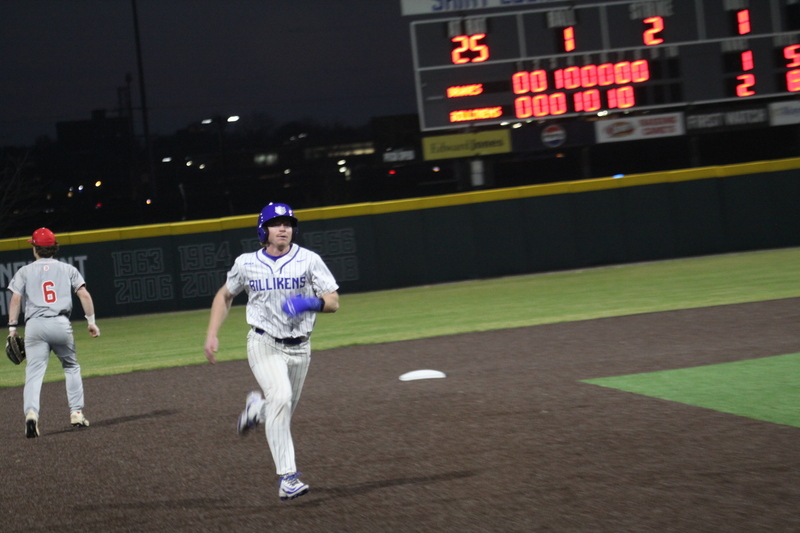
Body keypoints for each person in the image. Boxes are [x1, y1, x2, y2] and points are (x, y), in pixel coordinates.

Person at [204, 202, 339, 501]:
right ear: (263, 230)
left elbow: (333, 301)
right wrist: (212, 333)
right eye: (276, 223)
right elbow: (225, 296)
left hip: (300, 347)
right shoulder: (246, 263)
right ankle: (287, 477)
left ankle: (257, 409)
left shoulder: (308, 260)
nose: (283, 228)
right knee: (281, 397)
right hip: (263, 342)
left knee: (282, 409)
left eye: (288, 224)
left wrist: (309, 303)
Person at [7, 227, 101, 438]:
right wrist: (91, 322)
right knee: (71, 366)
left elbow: (15, 299)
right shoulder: (68, 269)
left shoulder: (24, 271)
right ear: (54, 248)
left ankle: (31, 414)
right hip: (60, 324)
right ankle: (76, 413)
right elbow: (84, 295)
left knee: (34, 373)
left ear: (35, 248)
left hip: (35, 326)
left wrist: (12, 329)